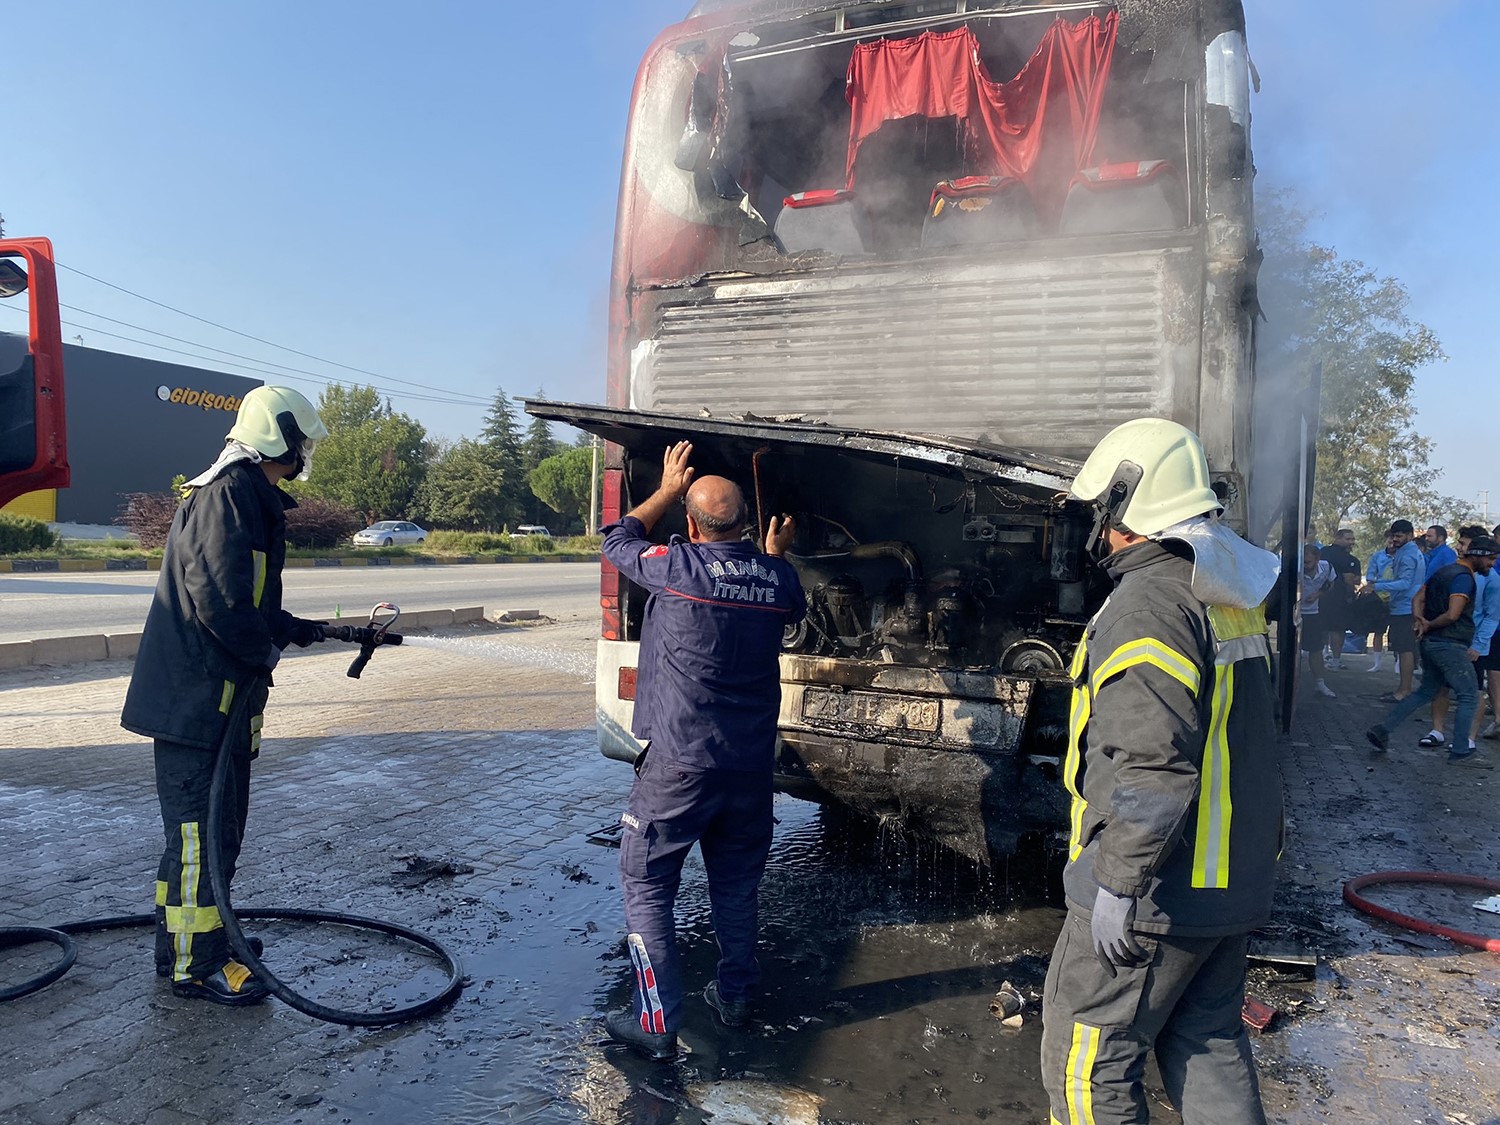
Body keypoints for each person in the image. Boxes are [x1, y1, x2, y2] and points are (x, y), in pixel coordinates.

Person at [1041, 418, 1282, 1125]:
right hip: (1228, 882)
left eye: (1100, 509)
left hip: (1158, 893)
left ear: (1127, 503)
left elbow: (1152, 763)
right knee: (1207, 1045)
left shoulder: (1147, 604)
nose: (1096, 526)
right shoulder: (1222, 589)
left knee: (1086, 1064)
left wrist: (1117, 880)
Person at [121, 386, 330, 1006]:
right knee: (197, 844)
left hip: (215, 705)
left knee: (213, 837)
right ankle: (196, 964)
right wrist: (262, 650)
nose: (304, 453)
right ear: (281, 436)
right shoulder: (230, 494)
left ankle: (194, 943)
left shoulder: (246, 496)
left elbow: (250, 599)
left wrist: (302, 630)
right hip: (196, 706)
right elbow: (217, 601)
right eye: (301, 440)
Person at [600, 441, 806, 1060]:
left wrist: (664, 487)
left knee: (646, 882)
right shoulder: (777, 579)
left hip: (679, 766)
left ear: (690, 525)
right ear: (747, 521)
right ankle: (736, 997)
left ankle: (657, 1024)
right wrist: (773, 555)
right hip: (748, 770)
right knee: (737, 887)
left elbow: (616, 540)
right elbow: (791, 605)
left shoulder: (679, 568)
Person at [1367, 535, 1498, 763]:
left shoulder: (1443, 572)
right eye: (1491, 559)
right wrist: (1429, 623)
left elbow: (1417, 597)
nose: (1492, 564)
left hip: (1431, 644)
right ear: (1478, 556)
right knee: (1469, 695)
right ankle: (1460, 749)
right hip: (1450, 645)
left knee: (1425, 692)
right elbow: (1453, 614)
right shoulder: (1463, 578)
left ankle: (1383, 730)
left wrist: (1420, 620)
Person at [1358, 520, 1426, 700]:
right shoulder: (1407, 552)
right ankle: (1403, 688)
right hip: (1402, 605)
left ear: (1410, 535)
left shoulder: (1408, 555)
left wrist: (1376, 586)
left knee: (1405, 649)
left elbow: (1405, 582)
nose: (1395, 540)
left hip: (1405, 607)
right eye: (1393, 536)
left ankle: (1404, 690)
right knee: (1403, 648)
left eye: (1399, 536)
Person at [1299, 543, 1338, 697]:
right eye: (1303, 562)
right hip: (1293, 613)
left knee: (1316, 650)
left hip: (1312, 613)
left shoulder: (1326, 567)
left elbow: (1331, 584)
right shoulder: (1294, 568)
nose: (1305, 566)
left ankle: (1320, 684)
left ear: (1317, 559)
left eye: (1308, 562)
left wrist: (1317, 594)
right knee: (1291, 651)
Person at [1318, 528, 1361, 669]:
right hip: (1339, 597)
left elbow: (1357, 580)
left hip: (1320, 595)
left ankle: (1323, 656)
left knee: (1323, 627)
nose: (1351, 542)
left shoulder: (1322, 552)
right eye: (1348, 539)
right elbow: (1351, 580)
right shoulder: (1346, 558)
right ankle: (1335, 660)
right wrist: (1350, 594)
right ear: (1338, 538)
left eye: (1352, 539)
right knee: (1337, 629)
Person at [1358, 533, 1397, 673]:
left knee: (1397, 632)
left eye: (1395, 539)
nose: (1392, 542)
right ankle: (1377, 663)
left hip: (1398, 598)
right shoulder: (1378, 556)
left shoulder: (1404, 557)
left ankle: (1398, 663)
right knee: (1378, 631)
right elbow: (1371, 576)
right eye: (1390, 538)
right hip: (1379, 599)